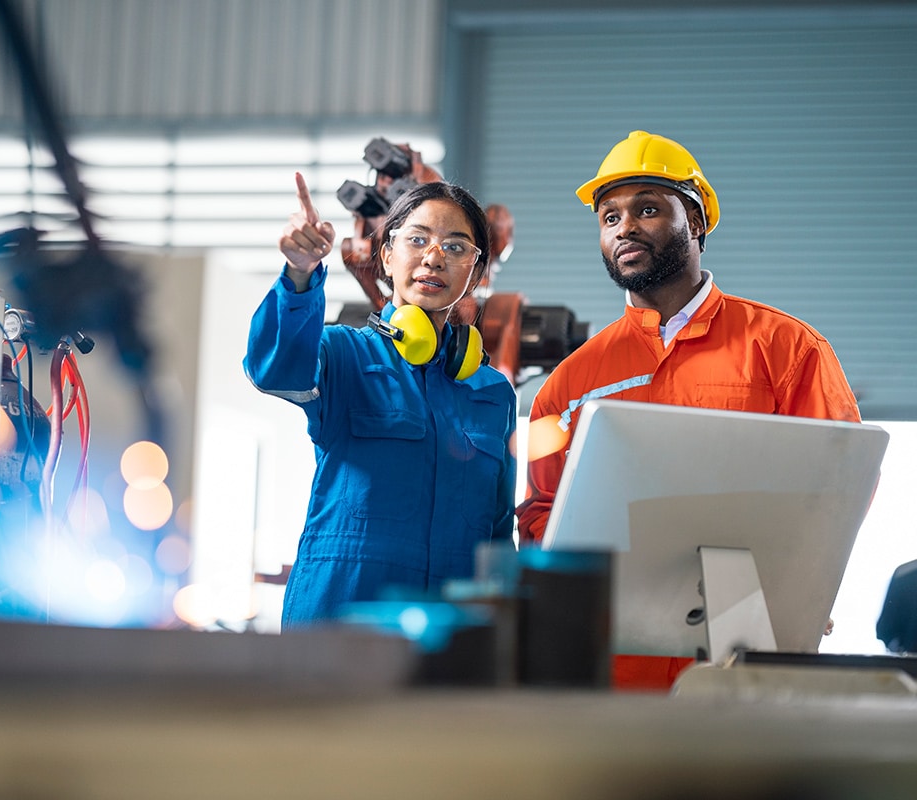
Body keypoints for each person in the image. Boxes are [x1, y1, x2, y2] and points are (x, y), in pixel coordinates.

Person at [514, 130, 861, 688]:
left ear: (696, 222)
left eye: (647, 209)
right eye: (609, 217)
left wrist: (806, 588)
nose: (624, 227)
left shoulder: (786, 348)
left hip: (747, 647)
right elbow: (539, 511)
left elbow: (837, 484)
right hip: (615, 657)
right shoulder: (570, 382)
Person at [244, 173, 518, 628]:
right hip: (340, 624)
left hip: (450, 634)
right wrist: (299, 274)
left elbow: (496, 535)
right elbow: (274, 369)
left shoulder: (491, 393)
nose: (434, 257)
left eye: (456, 247)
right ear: (387, 256)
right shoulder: (343, 355)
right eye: (418, 239)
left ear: (475, 271)